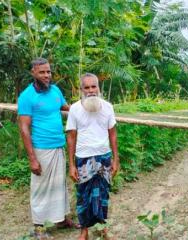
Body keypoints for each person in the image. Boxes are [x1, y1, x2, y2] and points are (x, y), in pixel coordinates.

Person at [18, 58, 78, 237]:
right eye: (42, 72)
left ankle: (61, 219)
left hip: (58, 145)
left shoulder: (55, 90)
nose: (46, 75)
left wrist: (86, 107)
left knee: (60, 185)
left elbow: (67, 108)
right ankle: (38, 227)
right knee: (40, 188)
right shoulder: (27, 96)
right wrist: (32, 158)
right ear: (33, 73)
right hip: (41, 149)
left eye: (48, 72)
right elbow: (23, 127)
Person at [66, 73, 119, 240]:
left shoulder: (108, 107)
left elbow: (113, 134)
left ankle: (102, 228)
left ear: (98, 88)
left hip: (104, 157)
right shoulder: (75, 109)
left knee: (103, 195)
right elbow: (71, 137)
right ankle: (84, 231)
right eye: (86, 87)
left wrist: (116, 159)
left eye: (93, 86)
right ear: (81, 90)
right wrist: (72, 165)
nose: (91, 91)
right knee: (83, 196)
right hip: (83, 159)